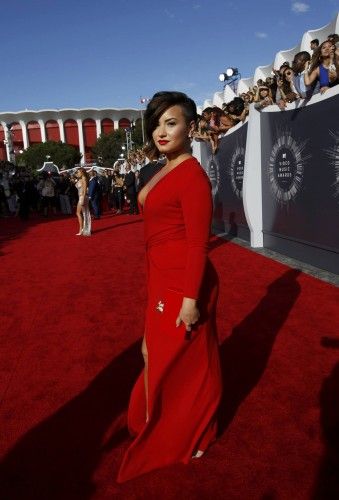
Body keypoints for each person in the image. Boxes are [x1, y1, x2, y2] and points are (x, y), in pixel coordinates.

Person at [117, 91, 222, 483]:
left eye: (171, 123)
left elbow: (199, 243)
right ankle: (166, 421)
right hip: (160, 275)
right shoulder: (162, 168)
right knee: (156, 355)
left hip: (184, 282)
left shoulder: (193, 176)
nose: (161, 131)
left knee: (191, 363)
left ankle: (198, 430)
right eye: (157, 123)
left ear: (190, 127)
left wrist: (191, 299)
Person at [75, 167, 91, 236]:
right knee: (83, 213)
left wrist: (83, 199)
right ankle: (84, 229)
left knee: (79, 213)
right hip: (81, 197)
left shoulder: (84, 178)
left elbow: (85, 190)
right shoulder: (81, 178)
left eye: (78, 172)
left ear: (82, 172)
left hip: (82, 197)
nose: (77, 173)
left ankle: (82, 229)